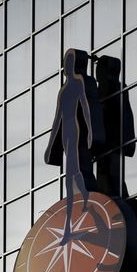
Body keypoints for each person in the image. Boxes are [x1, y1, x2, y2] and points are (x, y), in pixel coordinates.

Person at [44, 49, 105, 244]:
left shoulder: (80, 82)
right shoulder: (64, 90)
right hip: (66, 134)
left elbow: (86, 107)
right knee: (69, 179)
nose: (66, 67)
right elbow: (57, 119)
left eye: (69, 62)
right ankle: (72, 223)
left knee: (76, 174)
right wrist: (50, 146)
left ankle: (88, 204)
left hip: (76, 132)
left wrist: (91, 131)